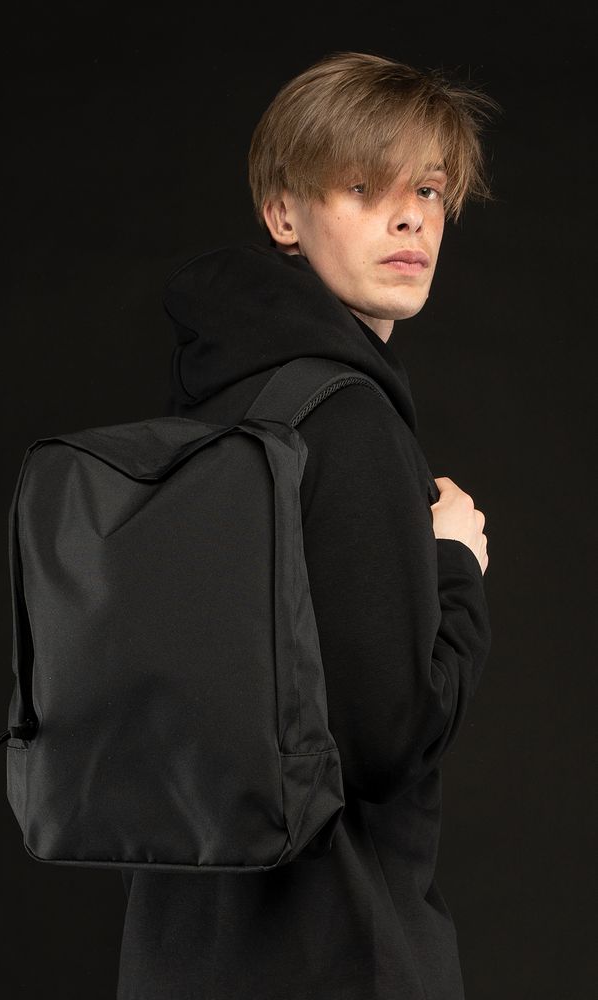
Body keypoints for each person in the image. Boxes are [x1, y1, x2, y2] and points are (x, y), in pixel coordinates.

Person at [117, 50, 496, 1000]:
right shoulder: (346, 419)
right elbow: (385, 742)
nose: (411, 218)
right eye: (364, 188)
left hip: (183, 944)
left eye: (427, 191)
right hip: (341, 946)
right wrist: (455, 565)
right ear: (284, 214)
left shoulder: (217, 406)